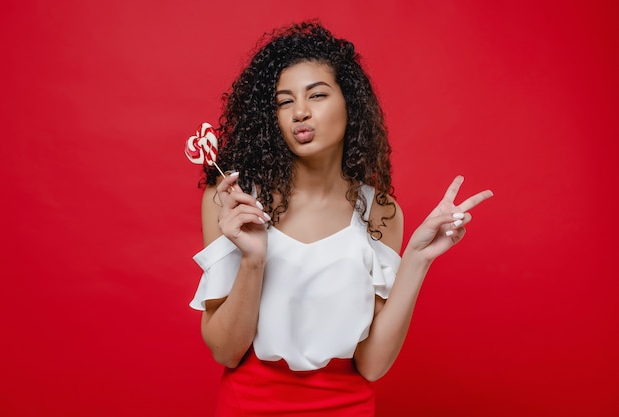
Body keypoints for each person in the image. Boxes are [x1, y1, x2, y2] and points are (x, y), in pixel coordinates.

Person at [188, 20, 493, 417]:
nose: (300, 112)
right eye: (284, 101)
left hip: (346, 407)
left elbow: (372, 364)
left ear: (350, 103)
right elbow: (225, 351)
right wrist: (253, 260)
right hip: (250, 405)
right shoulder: (233, 200)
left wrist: (418, 258)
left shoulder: (381, 211)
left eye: (316, 95)